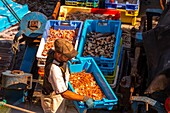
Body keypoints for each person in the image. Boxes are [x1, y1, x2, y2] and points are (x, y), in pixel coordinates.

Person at [41, 38, 94, 113]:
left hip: (60, 93)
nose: (69, 59)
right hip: (54, 99)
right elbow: (64, 94)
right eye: (67, 57)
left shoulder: (54, 52)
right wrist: (84, 98)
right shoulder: (54, 69)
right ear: (58, 54)